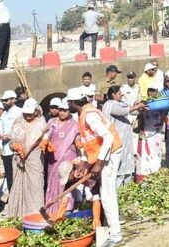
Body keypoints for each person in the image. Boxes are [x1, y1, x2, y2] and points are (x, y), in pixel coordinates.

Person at [70, 89, 123, 245]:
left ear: (73, 103)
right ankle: (113, 227)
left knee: (107, 194)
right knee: (105, 193)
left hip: (111, 152)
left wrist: (99, 163)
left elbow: (107, 137)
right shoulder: (83, 114)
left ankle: (115, 234)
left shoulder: (90, 115)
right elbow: (91, 143)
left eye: (69, 103)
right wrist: (84, 164)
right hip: (104, 152)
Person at [5, 98, 46, 217]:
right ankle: (18, 216)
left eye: (30, 113)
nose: (28, 115)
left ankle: (35, 216)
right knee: (18, 186)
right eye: (26, 113)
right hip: (19, 158)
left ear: (36, 111)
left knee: (35, 186)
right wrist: (15, 146)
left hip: (34, 158)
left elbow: (42, 138)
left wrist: (28, 150)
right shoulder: (19, 121)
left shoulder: (41, 123)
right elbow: (12, 139)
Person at [104, 86, 147, 186]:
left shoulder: (120, 103)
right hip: (116, 140)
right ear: (113, 95)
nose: (121, 95)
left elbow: (131, 110)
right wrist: (136, 106)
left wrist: (141, 107)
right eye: (119, 93)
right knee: (117, 168)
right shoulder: (110, 104)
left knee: (127, 164)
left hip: (125, 140)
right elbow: (122, 111)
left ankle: (127, 186)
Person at [44, 97, 78, 215]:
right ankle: (51, 208)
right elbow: (45, 134)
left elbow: (78, 139)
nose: (62, 113)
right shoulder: (51, 122)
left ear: (69, 112)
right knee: (52, 181)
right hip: (53, 157)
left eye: (65, 110)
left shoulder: (74, 124)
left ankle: (66, 208)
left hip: (68, 157)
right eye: (61, 110)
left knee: (66, 181)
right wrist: (46, 142)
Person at [135, 87, 165, 180]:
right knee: (144, 158)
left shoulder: (161, 103)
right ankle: (142, 178)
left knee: (156, 156)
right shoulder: (143, 103)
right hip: (146, 134)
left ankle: (155, 177)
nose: (152, 93)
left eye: (154, 91)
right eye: (150, 91)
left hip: (157, 134)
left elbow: (164, 118)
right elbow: (138, 115)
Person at [0, 90, 21, 195]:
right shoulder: (5, 114)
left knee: (17, 177)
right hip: (6, 150)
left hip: (15, 150)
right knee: (9, 177)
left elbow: (22, 130)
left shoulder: (19, 112)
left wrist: (11, 136)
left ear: (13, 100)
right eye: (3, 100)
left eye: (6, 100)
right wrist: (0, 136)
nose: (4, 102)